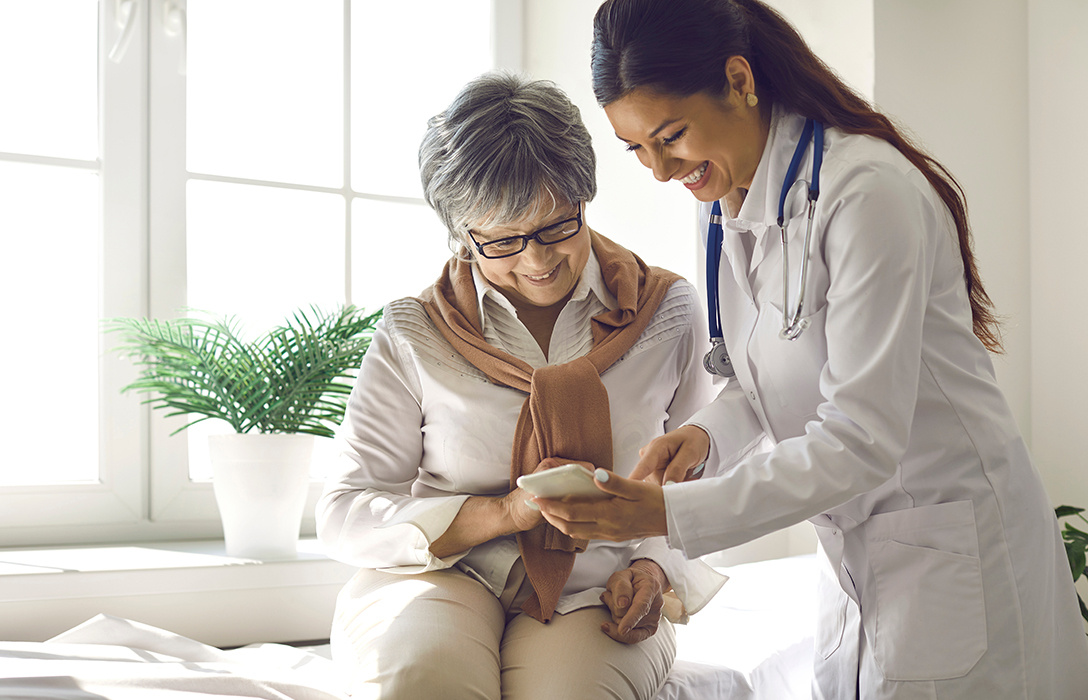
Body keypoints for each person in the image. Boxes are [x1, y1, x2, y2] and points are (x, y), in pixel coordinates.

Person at [533, 1, 1088, 698]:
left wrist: (667, 516)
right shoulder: (724, 202)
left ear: (740, 79)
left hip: (955, 543)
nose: (658, 171)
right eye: (636, 149)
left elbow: (860, 438)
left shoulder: (867, 193)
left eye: (669, 137)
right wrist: (705, 437)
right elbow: (767, 375)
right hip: (861, 555)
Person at [315, 71, 725, 700]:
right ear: (460, 235)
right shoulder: (414, 330)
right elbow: (345, 511)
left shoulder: (668, 312)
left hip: (597, 588)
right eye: (503, 240)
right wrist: (500, 515)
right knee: (426, 682)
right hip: (441, 574)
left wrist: (655, 568)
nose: (537, 261)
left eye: (558, 226)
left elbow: (707, 483)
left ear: (584, 197)